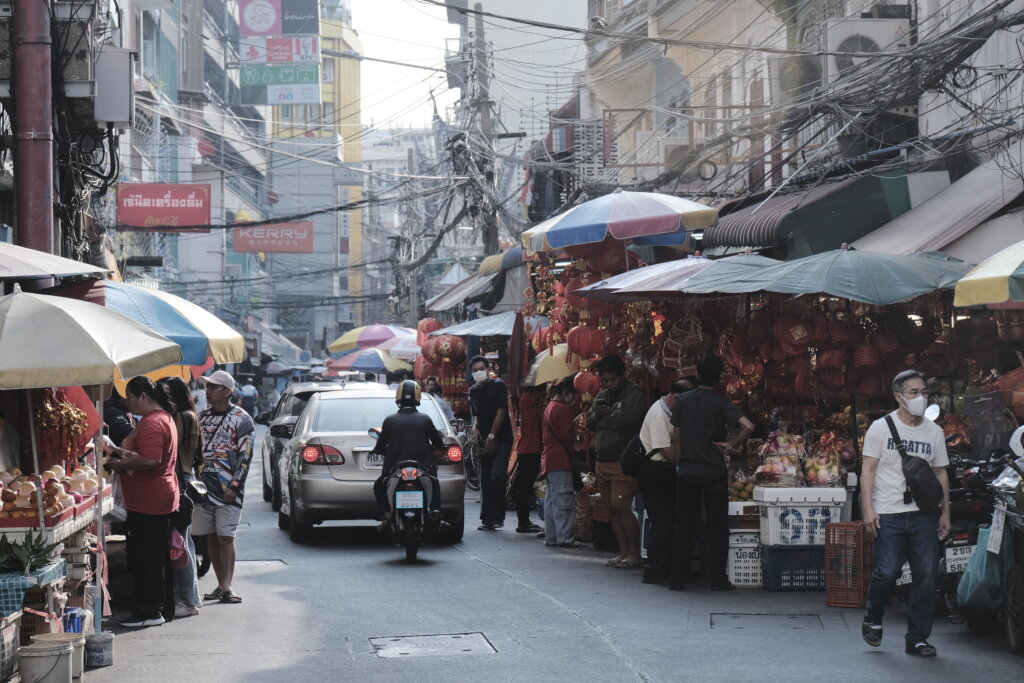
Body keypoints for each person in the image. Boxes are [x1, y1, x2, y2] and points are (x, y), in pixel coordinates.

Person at [861, 369, 950, 657]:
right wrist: (868, 509)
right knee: (887, 571)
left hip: (923, 514)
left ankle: (917, 638)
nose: (921, 398)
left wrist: (946, 513)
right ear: (899, 397)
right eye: (914, 393)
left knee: (926, 575)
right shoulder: (880, 428)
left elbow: (941, 474)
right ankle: (873, 615)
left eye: (924, 392)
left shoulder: (934, 432)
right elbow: (868, 471)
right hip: (888, 512)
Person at [669, 356, 754, 591]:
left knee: (684, 525)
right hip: (713, 472)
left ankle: (678, 578)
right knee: (717, 526)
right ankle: (717, 578)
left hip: (687, 470)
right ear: (719, 377)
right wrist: (732, 444)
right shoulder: (720, 401)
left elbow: (676, 436)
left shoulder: (683, 401)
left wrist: (680, 461)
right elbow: (748, 426)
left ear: (697, 373)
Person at [110, 376, 179, 628]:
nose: (128, 403)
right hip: (155, 497)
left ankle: (148, 612)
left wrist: (120, 464)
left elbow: (150, 459)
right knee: (150, 556)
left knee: (146, 558)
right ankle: (153, 608)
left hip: (150, 500)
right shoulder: (162, 418)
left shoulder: (153, 422)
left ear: (142, 396)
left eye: (129, 397)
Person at [195, 370, 255, 605]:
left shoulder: (242, 418)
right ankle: (220, 585)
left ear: (227, 391)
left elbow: (245, 456)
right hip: (203, 488)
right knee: (211, 536)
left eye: (213, 387)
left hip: (229, 488)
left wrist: (235, 485)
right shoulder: (202, 417)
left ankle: (228, 585)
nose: (208, 392)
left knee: (226, 537)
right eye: (207, 387)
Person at [587, 354, 646, 568]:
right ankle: (622, 552)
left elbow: (629, 419)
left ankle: (634, 554)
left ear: (622, 376)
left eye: (613, 379)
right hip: (602, 459)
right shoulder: (602, 395)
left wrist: (603, 419)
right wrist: (599, 417)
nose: (609, 384)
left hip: (622, 460)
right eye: (606, 380)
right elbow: (590, 421)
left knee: (622, 506)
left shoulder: (634, 393)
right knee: (610, 508)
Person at [637, 378, 695, 585]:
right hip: (655, 471)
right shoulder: (659, 415)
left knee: (665, 521)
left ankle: (661, 567)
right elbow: (668, 453)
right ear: (678, 397)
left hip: (661, 471)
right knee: (663, 522)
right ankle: (656, 569)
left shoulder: (668, 411)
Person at [158, 376, 205, 618]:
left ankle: (187, 600)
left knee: (180, 544)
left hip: (181, 481)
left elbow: (170, 452)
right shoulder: (189, 415)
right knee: (184, 543)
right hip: (186, 479)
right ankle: (190, 598)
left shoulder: (181, 418)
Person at [371, 380, 446, 529]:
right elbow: (438, 443)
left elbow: (380, 446)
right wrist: (440, 447)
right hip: (423, 467)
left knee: (378, 486)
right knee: (435, 483)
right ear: (417, 398)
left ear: (398, 398)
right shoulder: (425, 419)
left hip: (394, 469)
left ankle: (386, 514)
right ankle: (435, 511)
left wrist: (377, 451)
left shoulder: (390, 420)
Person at [468, 356, 513, 530]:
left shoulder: (498, 385)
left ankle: (499, 515)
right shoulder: (473, 390)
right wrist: (475, 428)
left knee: (497, 475)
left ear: (488, 369)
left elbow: (500, 414)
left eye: (481, 368)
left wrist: (492, 438)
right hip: (483, 439)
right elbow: (477, 415)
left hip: (501, 438)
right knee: (485, 479)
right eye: (474, 370)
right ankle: (487, 519)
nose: (478, 372)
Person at [542, 377, 584, 548]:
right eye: (572, 396)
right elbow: (568, 435)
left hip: (549, 459)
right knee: (564, 501)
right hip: (560, 459)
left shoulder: (549, 407)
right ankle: (565, 538)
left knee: (552, 501)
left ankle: (552, 537)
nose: (573, 400)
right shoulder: (561, 409)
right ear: (565, 393)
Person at [513, 385, 544, 534]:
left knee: (526, 486)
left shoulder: (533, 401)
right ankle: (523, 521)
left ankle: (524, 520)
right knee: (525, 486)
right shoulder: (527, 399)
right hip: (529, 449)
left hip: (532, 448)